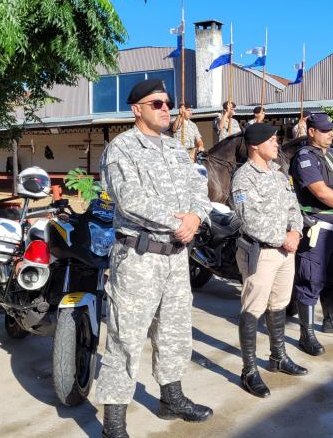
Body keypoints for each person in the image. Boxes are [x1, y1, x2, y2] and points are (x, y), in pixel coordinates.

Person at [96, 79, 213, 437]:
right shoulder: (122, 149)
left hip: (177, 258)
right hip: (139, 257)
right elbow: (129, 200)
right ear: (137, 109)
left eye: (168, 103)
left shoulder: (177, 149)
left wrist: (195, 217)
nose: (166, 108)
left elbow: (200, 188)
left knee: (175, 331)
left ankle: (171, 398)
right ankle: (114, 423)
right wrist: (179, 222)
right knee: (125, 338)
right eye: (157, 103)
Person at [230, 123, 307, 397]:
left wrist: (296, 232)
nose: (277, 144)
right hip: (260, 252)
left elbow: (293, 208)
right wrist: (282, 238)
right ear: (255, 145)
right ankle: (249, 370)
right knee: (253, 308)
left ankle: (278, 357)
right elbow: (249, 219)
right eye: (271, 140)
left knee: (279, 305)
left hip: (286, 251)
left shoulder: (278, 175)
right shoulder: (243, 178)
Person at [289, 113, 333, 356]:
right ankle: (306, 335)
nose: (330, 133)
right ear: (311, 131)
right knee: (310, 279)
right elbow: (320, 192)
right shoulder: (305, 158)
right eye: (324, 130)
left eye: (331, 129)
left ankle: (332, 319)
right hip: (317, 228)